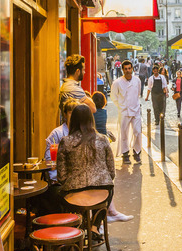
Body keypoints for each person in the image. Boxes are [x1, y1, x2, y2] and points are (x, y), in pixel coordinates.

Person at [56, 104, 132, 236]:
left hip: (73, 196)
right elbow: (111, 172)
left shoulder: (65, 141)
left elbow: (61, 176)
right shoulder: (103, 139)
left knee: (55, 194)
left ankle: (76, 227)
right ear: (91, 120)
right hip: (102, 193)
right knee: (109, 188)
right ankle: (95, 226)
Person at [111, 60, 143, 165]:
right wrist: (121, 106)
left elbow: (138, 93)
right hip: (124, 111)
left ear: (132, 69)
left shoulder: (137, 80)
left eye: (129, 68)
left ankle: (137, 152)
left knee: (137, 131)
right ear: (122, 70)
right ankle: (125, 154)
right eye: (125, 69)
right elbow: (113, 97)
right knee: (124, 133)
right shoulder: (117, 83)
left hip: (136, 110)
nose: (128, 71)